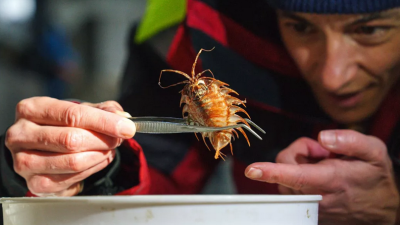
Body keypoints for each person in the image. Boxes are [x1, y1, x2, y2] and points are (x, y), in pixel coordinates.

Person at [1, 0, 400, 224]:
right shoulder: (185, 31)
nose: (334, 76)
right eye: (299, 26)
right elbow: (156, 177)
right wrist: (90, 166)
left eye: (370, 30)